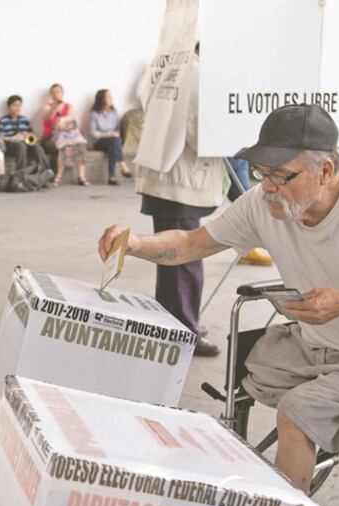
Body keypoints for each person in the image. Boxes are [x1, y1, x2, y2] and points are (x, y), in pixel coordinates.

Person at [98, 104, 339, 491]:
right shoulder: (263, 202)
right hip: (312, 344)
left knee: (297, 411)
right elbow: (189, 244)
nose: (268, 186)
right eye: (261, 173)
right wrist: (134, 243)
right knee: (244, 368)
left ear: (325, 171)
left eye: (281, 175)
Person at [135, 49, 225, 357]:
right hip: (181, 178)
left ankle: (173, 325)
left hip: (164, 174)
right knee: (184, 257)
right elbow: (200, 129)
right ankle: (183, 332)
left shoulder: (163, 64)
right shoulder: (195, 71)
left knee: (171, 258)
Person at [41, 84, 89, 186]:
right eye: (53, 92)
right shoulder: (47, 107)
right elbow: (47, 119)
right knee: (65, 146)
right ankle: (58, 176)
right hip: (51, 137)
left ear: (62, 93)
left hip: (68, 135)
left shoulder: (69, 106)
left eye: (58, 91)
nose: (56, 94)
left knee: (81, 145)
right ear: (50, 94)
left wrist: (62, 120)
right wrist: (55, 106)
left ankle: (81, 176)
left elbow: (70, 118)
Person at [0, 95, 51, 174]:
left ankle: (46, 173)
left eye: (19, 106)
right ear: (9, 106)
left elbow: (32, 137)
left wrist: (28, 135)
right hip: (11, 145)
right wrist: (14, 137)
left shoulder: (24, 119)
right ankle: (20, 175)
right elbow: (0, 137)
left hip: (25, 143)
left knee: (37, 146)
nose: (18, 108)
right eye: (15, 105)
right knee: (21, 146)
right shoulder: (2, 120)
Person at [90, 89, 132, 185]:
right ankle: (122, 164)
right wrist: (109, 134)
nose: (111, 98)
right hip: (99, 141)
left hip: (113, 141)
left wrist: (114, 134)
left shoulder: (114, 112)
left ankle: (112, 177)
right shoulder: (94, 114)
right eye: (108, 96)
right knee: (114, 140)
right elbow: (93, 133)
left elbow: (118, 128)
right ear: (102, 99)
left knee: (112, 147)